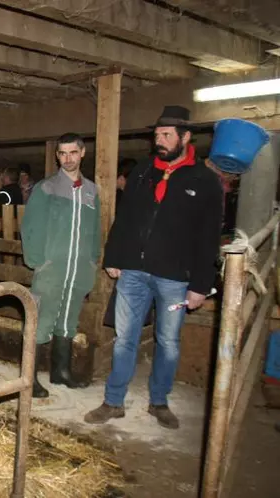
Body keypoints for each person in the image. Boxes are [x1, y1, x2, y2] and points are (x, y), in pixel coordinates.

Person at [84, 105, 224, 429]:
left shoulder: (205, 181)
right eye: (157, 135)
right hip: (133, 272)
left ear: (186, 137)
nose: (159, 141)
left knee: (169, 342)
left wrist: (201, 284)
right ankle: (113, 401)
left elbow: (208, 237)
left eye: (166, 135)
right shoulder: (144, 171)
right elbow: (125, 217)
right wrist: (114, 257)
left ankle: (158, 401)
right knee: (124, 339)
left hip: (174, 279)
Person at [21, 133, 101, 398]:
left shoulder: (90, 190)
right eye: (63, 153)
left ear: (82, 153)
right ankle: (29, 378)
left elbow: (95, 229)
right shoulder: (47, 188)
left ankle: (61, 372)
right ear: (57, 156)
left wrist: (92, 259)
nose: (68, 159)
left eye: (73, 153)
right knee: (41, 321)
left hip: (78, 268)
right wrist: (37, 261)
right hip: (52, 269)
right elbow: (30, 226)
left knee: (68, 320)